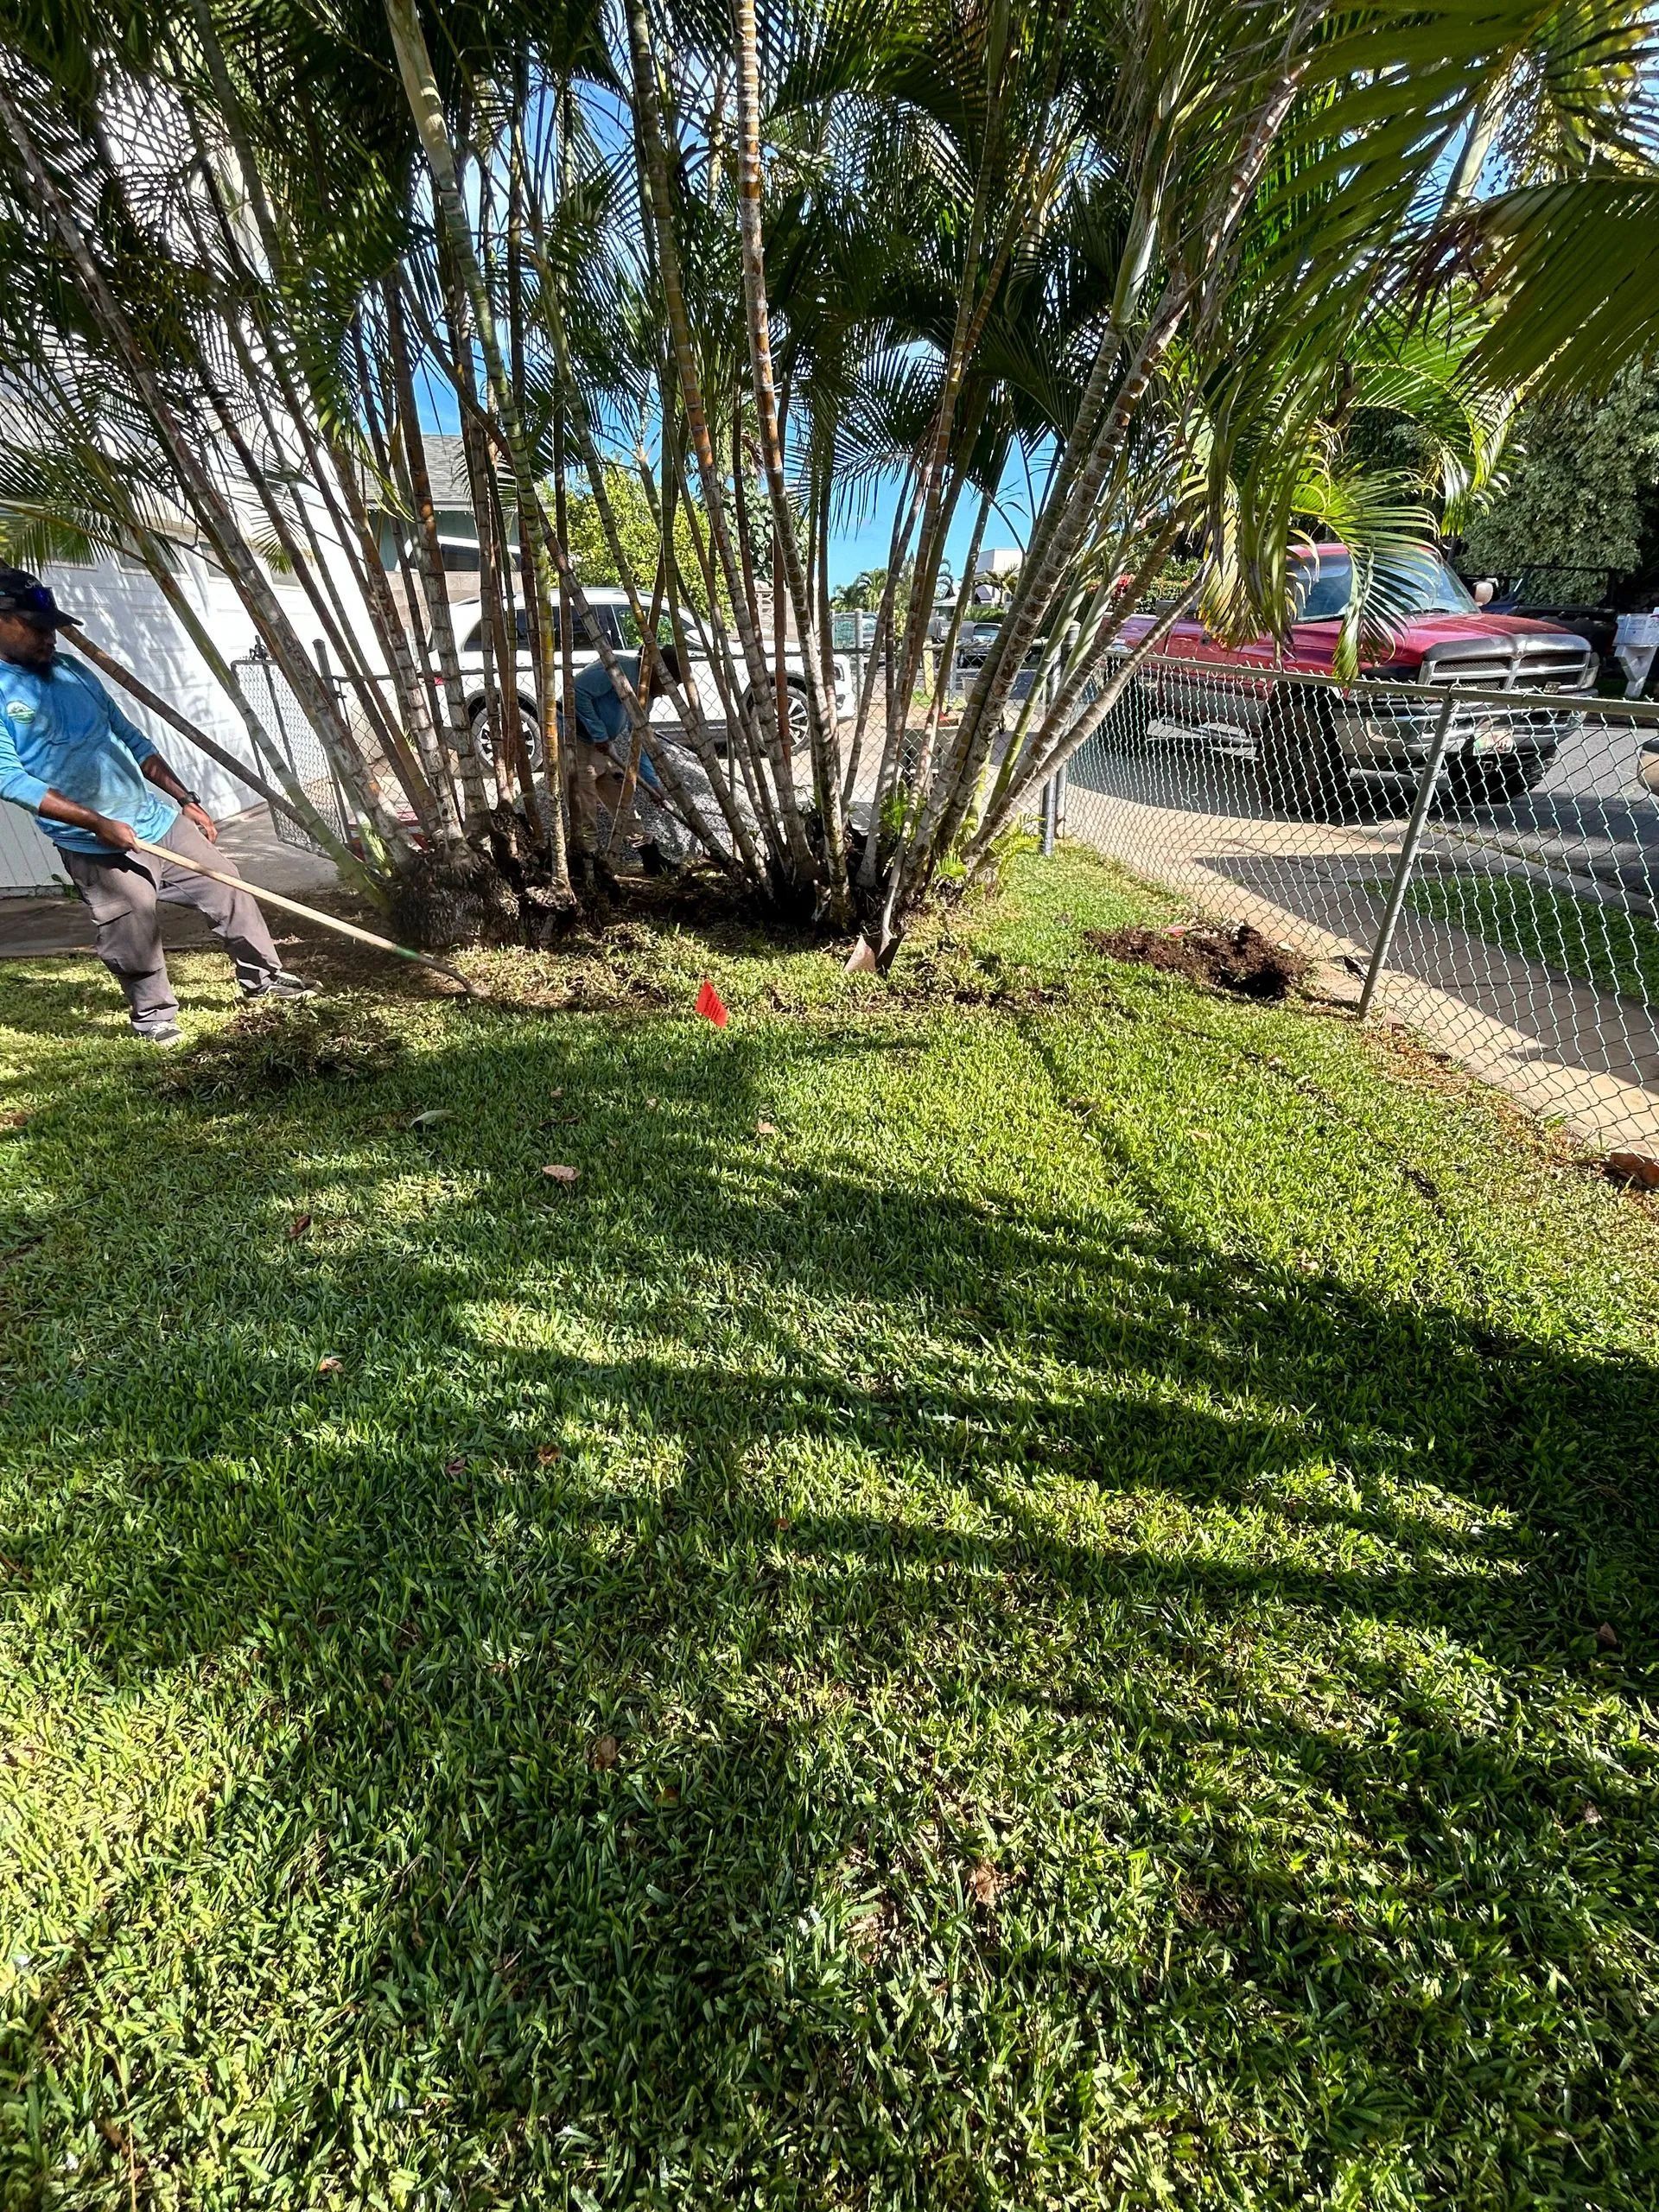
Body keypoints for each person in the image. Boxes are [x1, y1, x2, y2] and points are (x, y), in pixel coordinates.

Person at [0, 567, 315, 1046]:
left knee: (227, 886)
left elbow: (130, 737)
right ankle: (155, 1017)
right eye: (37, 628)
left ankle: (264, 980)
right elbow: (9, 778)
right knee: (130, 924)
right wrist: (96, 822)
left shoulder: (72, 671)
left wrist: (185, 798)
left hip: (156, 819)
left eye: (53, 628)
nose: (50, 639)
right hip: (94, 841)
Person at [569, 641, 685, 870]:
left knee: (621, 799)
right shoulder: (618, 668)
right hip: (573, 738)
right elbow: (577, 691)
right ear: (658, 672)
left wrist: (652, 785)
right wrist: (599, 733)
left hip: (598, 746)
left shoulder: (646, 695)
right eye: (669, 684)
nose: (667, 692)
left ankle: (650, 856)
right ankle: (587, 867)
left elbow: (638, 739)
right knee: (585, 806)